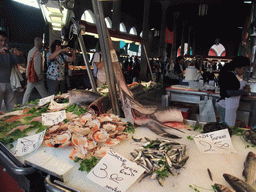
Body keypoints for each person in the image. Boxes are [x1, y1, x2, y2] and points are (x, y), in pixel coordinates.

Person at [216, 56, 251, 127]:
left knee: (226, 126)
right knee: (225, 127)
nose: (244, 71)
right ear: (237, 67)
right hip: (224, 105)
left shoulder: (230, 74)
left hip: (224, 104)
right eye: (243, 69)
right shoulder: (229, 75)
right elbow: (229, 93)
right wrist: (243, 91)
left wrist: (244, 87)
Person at [0, 30, 25, 112]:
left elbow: (20, 62)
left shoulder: (8, 50)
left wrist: (19, 54)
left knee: (13, 109)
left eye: (5, 41)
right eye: (1, 40)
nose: (3, 43)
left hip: (10, 83)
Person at [22, 37, 48, 105]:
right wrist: (39, 76)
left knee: (27, 93)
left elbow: (28, 64)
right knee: (44, 93)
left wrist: (28, 75)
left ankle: (23, 105)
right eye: (41, 43)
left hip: (30, 75)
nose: (42, 44)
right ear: (39, 43)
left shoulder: (31, 51)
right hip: (36, 77)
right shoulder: (38, 53)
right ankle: (49, 103)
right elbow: (37, 66)